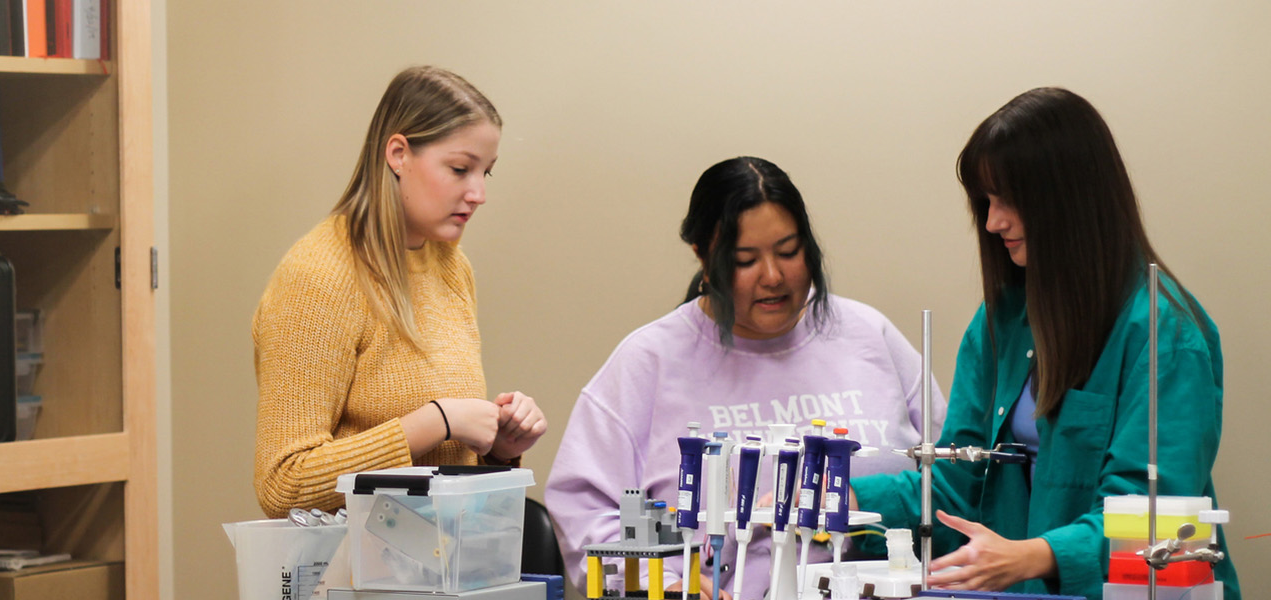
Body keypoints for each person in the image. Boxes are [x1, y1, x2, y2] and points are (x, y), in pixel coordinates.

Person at [849, 88, 1240, 598]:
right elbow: (956, 487)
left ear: (1069, 198)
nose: (993, 222)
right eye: (986, 202)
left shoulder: (1167, 337)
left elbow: (1157, 527)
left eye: (1008, 199)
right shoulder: (1001, 320)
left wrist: (1031, 556)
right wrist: (845, 501)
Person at [545, 156, 946, 599]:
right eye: (744, 260)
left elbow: (951, 482)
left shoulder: (869, 335)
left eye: (789, 252)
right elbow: (584, 515)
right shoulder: (649, 361)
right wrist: (667, 585)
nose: (772, 277)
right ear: (702, 255)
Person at [252, 66, 547, 517]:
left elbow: (442, 472)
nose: (479, 192)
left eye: (487, 172)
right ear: (398, 154)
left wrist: (497, 450)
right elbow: (284, 485)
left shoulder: (450, 266)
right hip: (349, 578)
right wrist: (437, 421)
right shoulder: (318, 276)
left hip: (441, 568)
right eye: (460, 168)